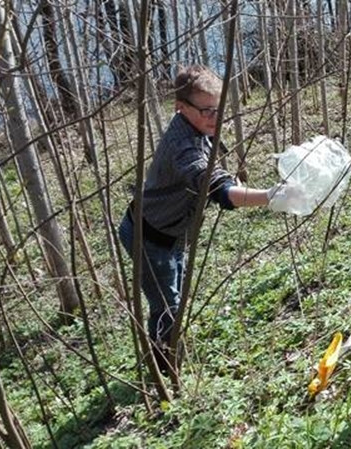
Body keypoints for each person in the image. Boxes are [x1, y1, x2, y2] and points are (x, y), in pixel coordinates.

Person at [118, 65, 300, 371]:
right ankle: (165, 370)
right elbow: (218, 189)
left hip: (172, 233)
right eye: (207, 111)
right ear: (180, 107)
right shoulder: (182, 148)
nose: (215, 118)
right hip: (147, 237)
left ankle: (169, 355)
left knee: (173, 295)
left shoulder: (197, 126)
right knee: (166, 307)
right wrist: (271, 196)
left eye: (219, 110)